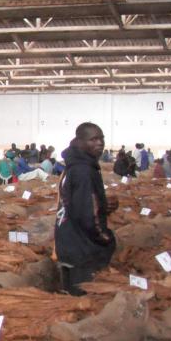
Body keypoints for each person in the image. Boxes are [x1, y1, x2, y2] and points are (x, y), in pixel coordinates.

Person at [54, 123, 117, 296]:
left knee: (72, 300)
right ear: (80, 142)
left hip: (68, 244)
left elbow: (77, 204)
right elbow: (88, 215)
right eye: (93, 139)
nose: (99, 143)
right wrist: (106, 238)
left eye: (101, 138)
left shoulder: (73, 166)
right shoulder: (84, 170)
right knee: (83, 304)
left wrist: (103, 205)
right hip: (83, 251)